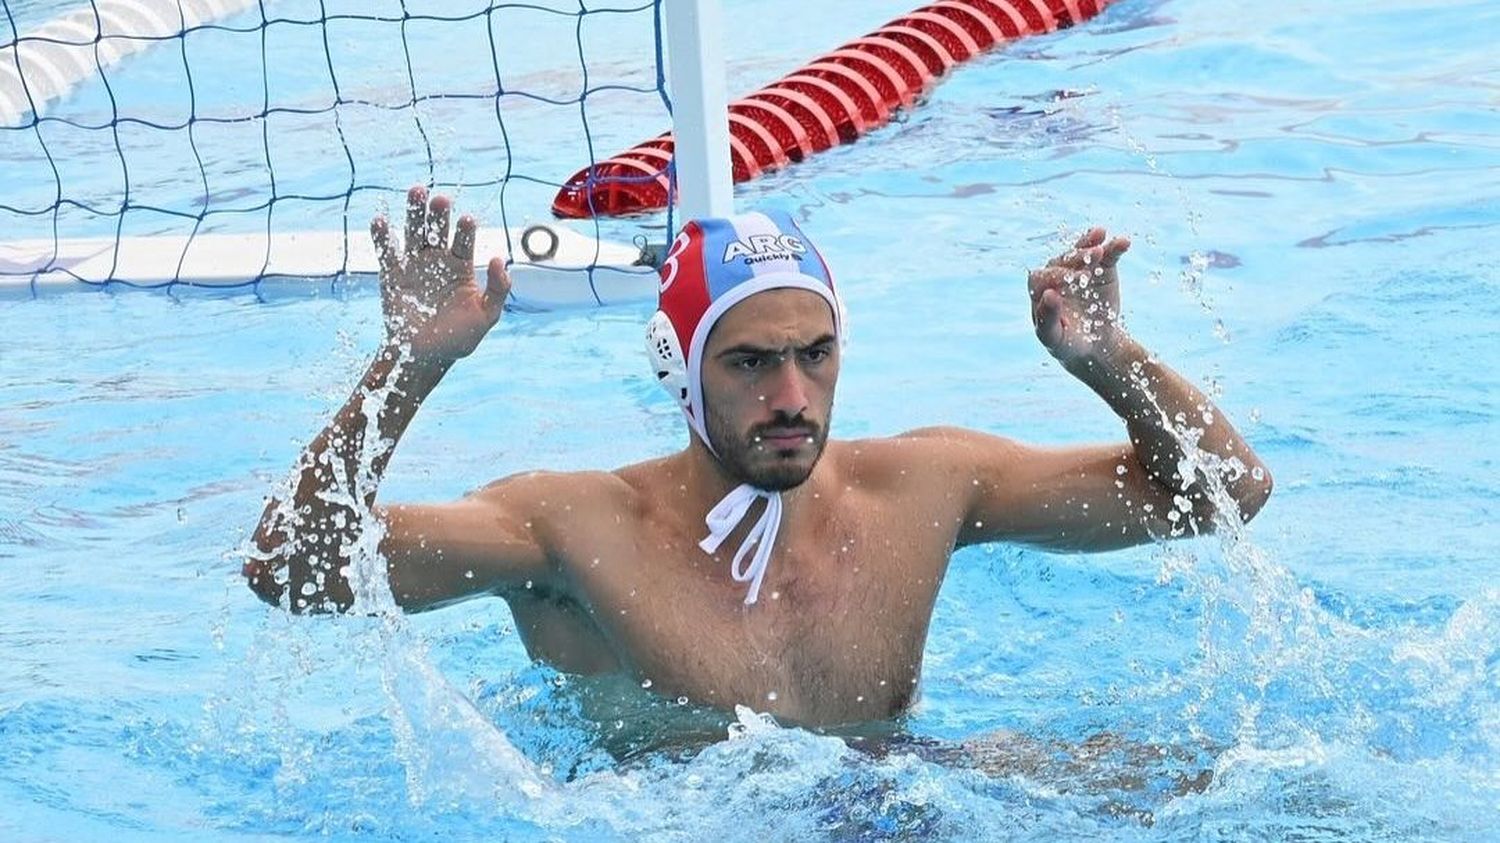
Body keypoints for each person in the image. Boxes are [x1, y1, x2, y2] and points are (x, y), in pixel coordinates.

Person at [245, 186, 1272, 733]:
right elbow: (292, 569)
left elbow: (1226, 494)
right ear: (679, 371)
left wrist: (1113, 363)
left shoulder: (923, 487)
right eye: (749, 363)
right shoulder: (572, 532)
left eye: (814, 355)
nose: (791, 398)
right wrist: (409, 367)